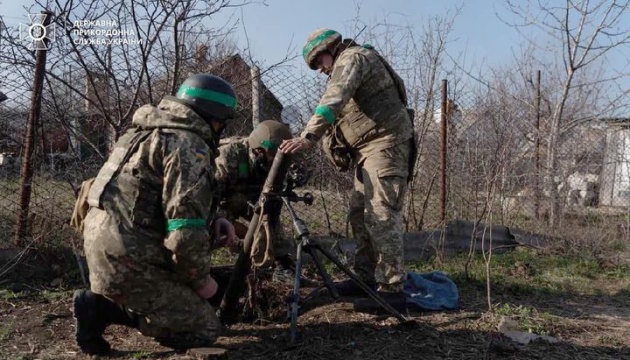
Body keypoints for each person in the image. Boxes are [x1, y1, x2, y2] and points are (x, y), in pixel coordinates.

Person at [73, 73, 238, 355]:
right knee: (205, 328)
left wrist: (217, 216)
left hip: (105, 249)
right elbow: (185, 231)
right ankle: (99, 308)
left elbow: (151, 199)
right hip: (130, 260)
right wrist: (202, 284)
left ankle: (114, 299)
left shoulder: (143, 131)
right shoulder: (188, 144)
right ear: (214, 117)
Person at [279, 28, 414, 313]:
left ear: (329, 49)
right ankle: (364, 277)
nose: (319, 70)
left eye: (319, 62)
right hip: (369, 150)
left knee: (380, 216)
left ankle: (392, 290)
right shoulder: (348, 62)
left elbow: (334, 98)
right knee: (358, 214)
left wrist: (309, 137)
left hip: (386, 145)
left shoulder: (353, 58)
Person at [214, 120, 296, 283]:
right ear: (258, 151)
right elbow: (208, 202)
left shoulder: (273, 163)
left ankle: (281, 264)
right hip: (218, 205)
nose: (275, 163)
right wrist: (241, 229)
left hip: (250, 201)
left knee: (270, 214)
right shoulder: (227, 157)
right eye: (273, 158)